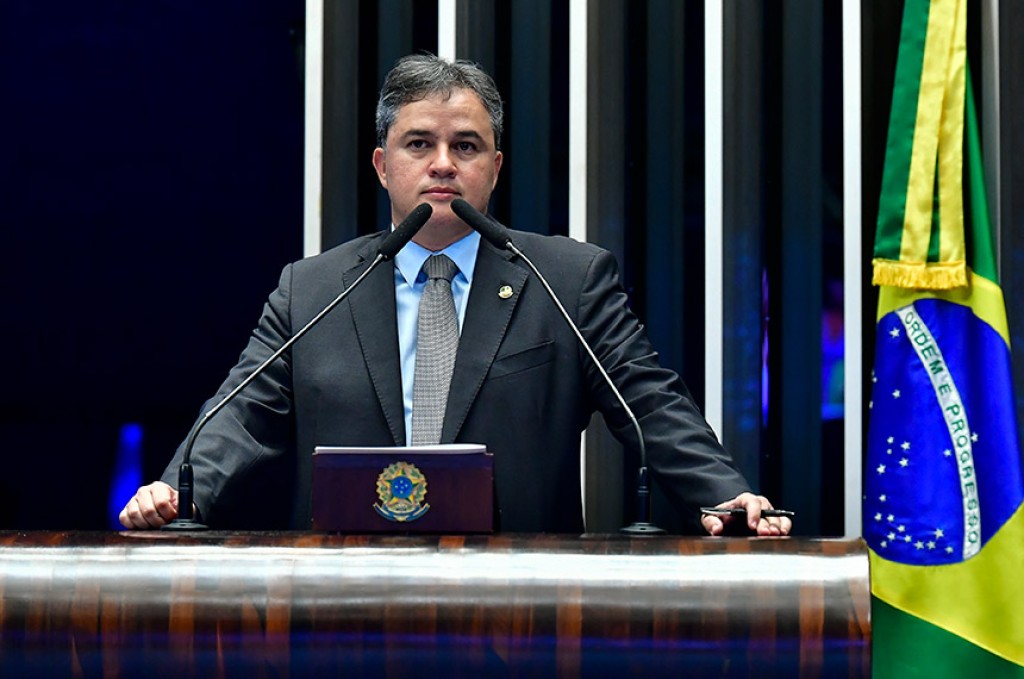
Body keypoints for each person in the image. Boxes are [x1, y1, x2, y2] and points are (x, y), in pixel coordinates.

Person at [120, 54, 791, 537]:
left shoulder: (566, 280)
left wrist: (723, 495)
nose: (443, 163)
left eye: (465, 145)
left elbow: (649, 402)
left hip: (521, 604)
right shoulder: (313, 289)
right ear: (383, 165)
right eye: (419, 143)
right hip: (342, 600)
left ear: (494, 168)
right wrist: (176, 491)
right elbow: (240, 415)